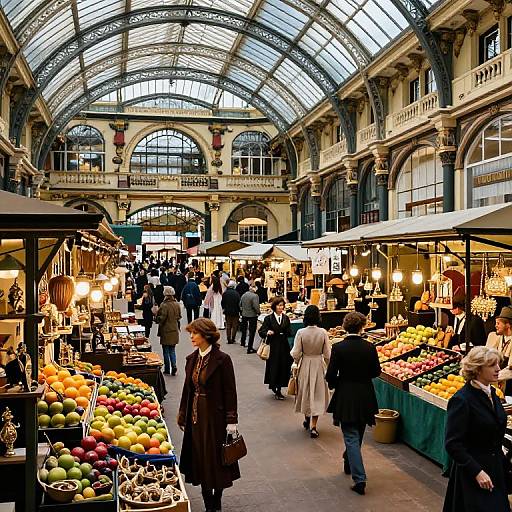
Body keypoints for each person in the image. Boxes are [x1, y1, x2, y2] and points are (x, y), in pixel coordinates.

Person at [178, 318, 240, 512]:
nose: (191, 337)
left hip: (215, 419)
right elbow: (187, 389)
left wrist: (232, 420)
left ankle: (217, 499)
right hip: (196, 418)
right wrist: (182, 414)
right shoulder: (191, 359)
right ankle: (208, 503)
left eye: (194, 333)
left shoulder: (223, 360)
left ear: (206, 335)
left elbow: (230, 391)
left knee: (217, 460)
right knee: (200, 459)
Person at [443, 346, 510, 512]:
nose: (498, 369)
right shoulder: (462, 400)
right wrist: (477, 471)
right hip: (472, 474)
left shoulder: (492, 393)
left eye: (498, 364)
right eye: (492, 365)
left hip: (495, 469)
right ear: (478, 369)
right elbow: (453, 444)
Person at [325, 312, 381, 496]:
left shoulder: (339, 348)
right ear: (362, 327)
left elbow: (331, 374)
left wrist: (336, 384)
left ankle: (360, 478)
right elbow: (376, 371)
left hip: (346, 396)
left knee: (350, 436)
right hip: (365, 395)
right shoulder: (370, 347)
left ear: (344, 326)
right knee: (358, 433)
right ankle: (349, 459)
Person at [290, 305, 331, 438]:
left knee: (306, 391)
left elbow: (296, 353)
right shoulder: (323, 332)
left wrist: (296, 361)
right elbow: (327, 354)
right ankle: (314, 425)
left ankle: (307, 416)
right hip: (318, 364)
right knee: (318, 393)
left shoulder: (301, 332)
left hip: (305, 363)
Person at [258, 297, 292, 399]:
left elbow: (289, 331)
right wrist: (267, 332)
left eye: (282, 305)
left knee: (283, 367)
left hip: (283, 346)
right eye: (278, 305)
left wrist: (285, 332)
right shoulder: (268, 319)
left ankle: (279, 388)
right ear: (274, 306)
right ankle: (275, 386)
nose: (280, 307)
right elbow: (261, 331)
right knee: (274, 367)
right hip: (273, 346)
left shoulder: (286, 318)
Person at [486, 306, 512, 395]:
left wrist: (491, 376)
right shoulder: (495, 337)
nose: (495, 326)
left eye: (498, 323)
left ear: (507, 325)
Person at [156, 286, 182, 375]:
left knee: (166, 351)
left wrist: (156, 316)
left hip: (165, 330)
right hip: (174, 330)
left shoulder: (164, 305)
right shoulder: (177, 304)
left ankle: (167, 369)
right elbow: (179, 316)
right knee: (172, 350)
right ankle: (174, 365)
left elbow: (162, 318)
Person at [240, 286, 260, 353]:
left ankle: (242, 342)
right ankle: (250, 347)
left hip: (244, 314)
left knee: (244, 329)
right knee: (252, 331)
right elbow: (256, 306)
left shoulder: (244, 295)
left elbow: (240, 304)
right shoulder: (255, 296)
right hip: (252, 315)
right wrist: (258, 312)